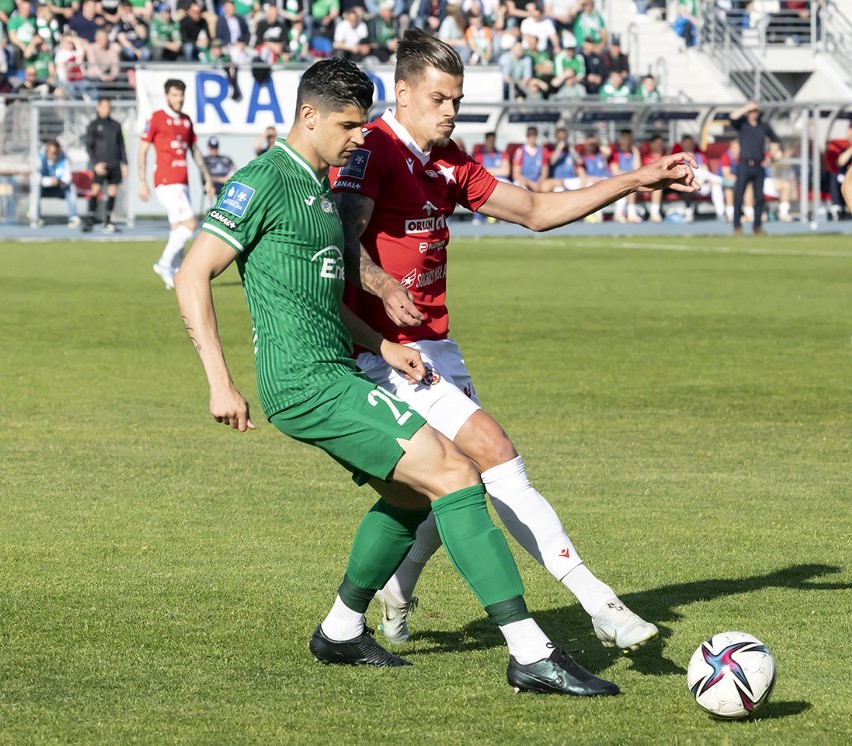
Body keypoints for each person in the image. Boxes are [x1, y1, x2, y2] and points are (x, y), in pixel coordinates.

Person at [173, 57, 621, 697]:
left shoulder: (321, 191)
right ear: (309, 116)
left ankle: (340, 629)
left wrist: (382, 342)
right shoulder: (263, 180)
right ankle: (530, 651)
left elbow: (315, 298)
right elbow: (193, 274)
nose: (362, 138)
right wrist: (219, 381)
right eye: (351, 125)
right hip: (305, 383)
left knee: (414, 496)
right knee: (456, 474)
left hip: (341, 367)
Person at [330, 29, 698, 652]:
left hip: (435, 344)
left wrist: (633, 181)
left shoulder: (445, 159)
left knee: (449, 479)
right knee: (492, 450)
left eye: (458, 99)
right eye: (440, 98)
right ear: (403, 93)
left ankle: (393, 590)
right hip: (383, 350)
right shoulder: (375, 152)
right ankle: (597, 601)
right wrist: (381, 281)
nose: (451, 110)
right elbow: (342, 238)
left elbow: (532, 209)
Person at [139, 77, 215, 289]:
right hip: (165, 180)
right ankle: (164, 264)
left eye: (181, 95)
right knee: (190, 224)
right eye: (174, 95)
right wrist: (142, 181)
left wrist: (207, 178)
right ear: (166, 96)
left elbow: (195, 151)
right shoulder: (156, 118)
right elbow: (143, 150)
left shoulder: (186, 121)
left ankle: (173, 273)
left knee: (177, 227)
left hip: (182, 182)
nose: (179, 99)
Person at [730, 100, 780, 236]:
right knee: (739, 196)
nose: (753, 113)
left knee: (759, 197)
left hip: (758, 165)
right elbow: (732, 117)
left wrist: (770, 156)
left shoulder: (763, 126)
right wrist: (746, 107)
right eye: (751, 111)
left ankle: (757, 226)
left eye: (755, 110)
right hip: (744, 165)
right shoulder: (743, 125)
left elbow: (775, 140)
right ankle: (737, 226)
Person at [83, 97, 128, 233]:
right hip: (100, 164)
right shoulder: (93, 125)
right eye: (103, 106)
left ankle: (107, 221)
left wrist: (125, 163)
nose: (106, 109)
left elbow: (121, 146)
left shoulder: (115, 125)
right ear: (98, 107)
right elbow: (89, 147)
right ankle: (90, 219)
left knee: (112, 191)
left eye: (108, 106)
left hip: (114, 163)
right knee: (95, 190)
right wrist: (95, 164)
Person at [36, 139, 81, 227]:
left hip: (59, 188)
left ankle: (74, 217)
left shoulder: (65, 158)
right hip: (44, 188)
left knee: (71, 188)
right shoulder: (40, 158)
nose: (54, 155)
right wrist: (49, 181)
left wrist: (58, 181)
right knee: (35, 189)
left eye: (56, 152)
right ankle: (35, 217)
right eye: (51, 152)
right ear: (47, 151)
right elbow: (36, 179)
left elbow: (67, 178)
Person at [608, 128, 642, 223]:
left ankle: (628, 214)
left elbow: (637, 169)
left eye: (629, 139)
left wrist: (636, 152)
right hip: (616, 180)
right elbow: (615, 171)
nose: (627, 141)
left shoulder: (634, 153)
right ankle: (624, 214)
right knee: (628, 184)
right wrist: (629, 175)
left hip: (630, 180)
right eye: (625, 138)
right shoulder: (616, 153)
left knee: (632, 185)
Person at [540, 125, 585, 193]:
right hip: (557, 180)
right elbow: (552, 161)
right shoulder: (551, 150)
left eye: (564, 137)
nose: (562, 139)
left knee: (585, 185)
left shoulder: (570, 150)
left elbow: (580, 161)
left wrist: (571, 148)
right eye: (559, 137)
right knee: (559, 189)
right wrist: (559, 148)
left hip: (570, 180)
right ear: (556, 138)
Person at [512, 125, 546, 191]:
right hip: (524, 181)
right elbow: (516, 174)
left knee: (550, 185)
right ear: (527, 136)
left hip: (538, 182)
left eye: (534, 135)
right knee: (521, 186)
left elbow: (544, 173)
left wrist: (538, 184)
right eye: (530, 135)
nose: (532, 138)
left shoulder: (543, 151)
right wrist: (530, 184)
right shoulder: (520, 152)